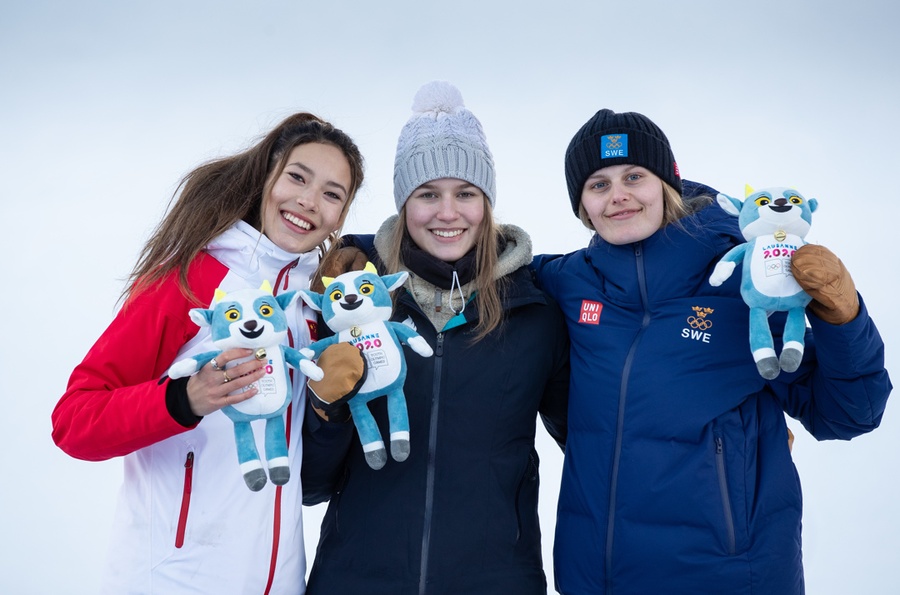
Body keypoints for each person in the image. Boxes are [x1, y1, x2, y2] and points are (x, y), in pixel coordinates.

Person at [532, 108, 892, 594]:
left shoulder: (744, 284)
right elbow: (478, 276)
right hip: (595, 576)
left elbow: (849, 413)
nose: (618, 195)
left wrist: (842, 320)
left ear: (667, 184)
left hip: (731, 575)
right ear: (582, 207)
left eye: (634, 176)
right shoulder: (566, 283)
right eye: (598, 184)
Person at [51, 112, 365, 594]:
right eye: (297, 178)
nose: (307, 201)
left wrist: (331, 408)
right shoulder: (189, 281)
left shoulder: (310, 308)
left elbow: (309, 475)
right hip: (172, 578)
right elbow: (74, 421)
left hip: (279, 581)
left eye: (331, 193)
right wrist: (184, 399)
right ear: (267, 177)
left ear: (340, 216)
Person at [301, 81, 570, 595]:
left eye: (466, 193)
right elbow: (312, 484)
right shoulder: (352, 307)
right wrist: (329, 406)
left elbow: (596, 441)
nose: (448, 214)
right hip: (356, 580)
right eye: (427, 194)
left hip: (496, 581)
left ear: (487, 201)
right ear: (405, 204)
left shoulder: (535, 311)